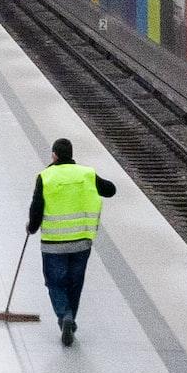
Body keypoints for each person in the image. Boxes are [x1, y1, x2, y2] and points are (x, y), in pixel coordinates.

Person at [27, 137, 117, 346]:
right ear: (71, 154)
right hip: (81, 243)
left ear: (54, 155)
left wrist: (31, 228)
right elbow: (110, 190)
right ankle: (71, 319)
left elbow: (37, 206)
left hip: (53, 243)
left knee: (55, 283)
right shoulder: (87, 174)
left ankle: (64, 316)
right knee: (75, 284)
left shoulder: (45, 177)